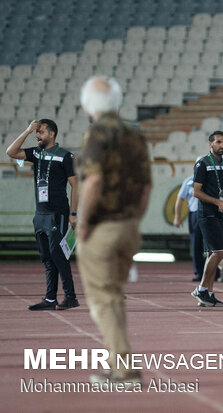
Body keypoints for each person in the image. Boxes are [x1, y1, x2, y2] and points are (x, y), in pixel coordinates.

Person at [76, 75, 151, 384]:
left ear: (88, 104)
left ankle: (124, 369)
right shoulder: (135, 135)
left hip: (102, 228)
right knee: (114, 296)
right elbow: (146, 186)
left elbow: (93, 181)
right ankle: (118, 362)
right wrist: (134, 219)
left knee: (103, 301)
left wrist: (81, 223)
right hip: (129, 227)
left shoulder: (96, 134)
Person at [6, 119, 79, 311]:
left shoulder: (65, 156)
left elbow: (75, 185)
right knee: (47, 257)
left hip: (58, 214)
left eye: (41, 132)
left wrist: (73, 213)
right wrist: (28, 130)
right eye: (37, 133)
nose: (37, 136)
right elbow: (11, 152)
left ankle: (70, 297)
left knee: (58, 255)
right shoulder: (36, 153)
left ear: (52, 134)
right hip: (40, 215)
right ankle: (50, 298)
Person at [190, 131, 223, 307]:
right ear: (210, 143)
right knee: (219, 252)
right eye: (219, 142)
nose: (222, 146)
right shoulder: (202, 163)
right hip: (206, 213)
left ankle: (209, 293)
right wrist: (217, 202)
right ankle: (202, 289)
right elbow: (196, 192)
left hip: (221, 213)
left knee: (214, 253)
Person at [173, 172, 205, 282]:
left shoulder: (214, 178)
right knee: (196, 244)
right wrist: (177, 217)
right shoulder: (189, 181)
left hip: (210, 213)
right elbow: (180, 198)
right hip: (195, 214)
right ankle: (199, 273)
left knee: (213, 245)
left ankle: (214, 272)